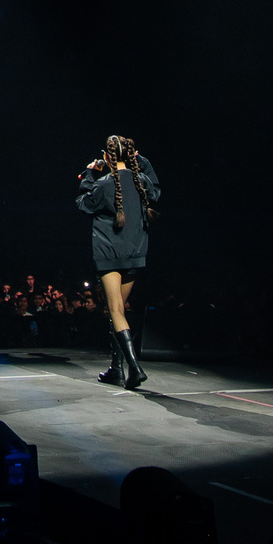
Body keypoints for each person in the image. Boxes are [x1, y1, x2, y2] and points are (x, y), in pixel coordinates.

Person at [76, 134, 160, 389]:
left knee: (115, 310)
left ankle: (134, 368)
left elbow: (83, 204)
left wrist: (90, 173)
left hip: (110, 254)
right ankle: (116, 368)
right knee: (120, 310)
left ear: (107, 156)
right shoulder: (141, 180)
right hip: (135, 253)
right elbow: (155, 190)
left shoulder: (103, 183)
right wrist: (141, 160)